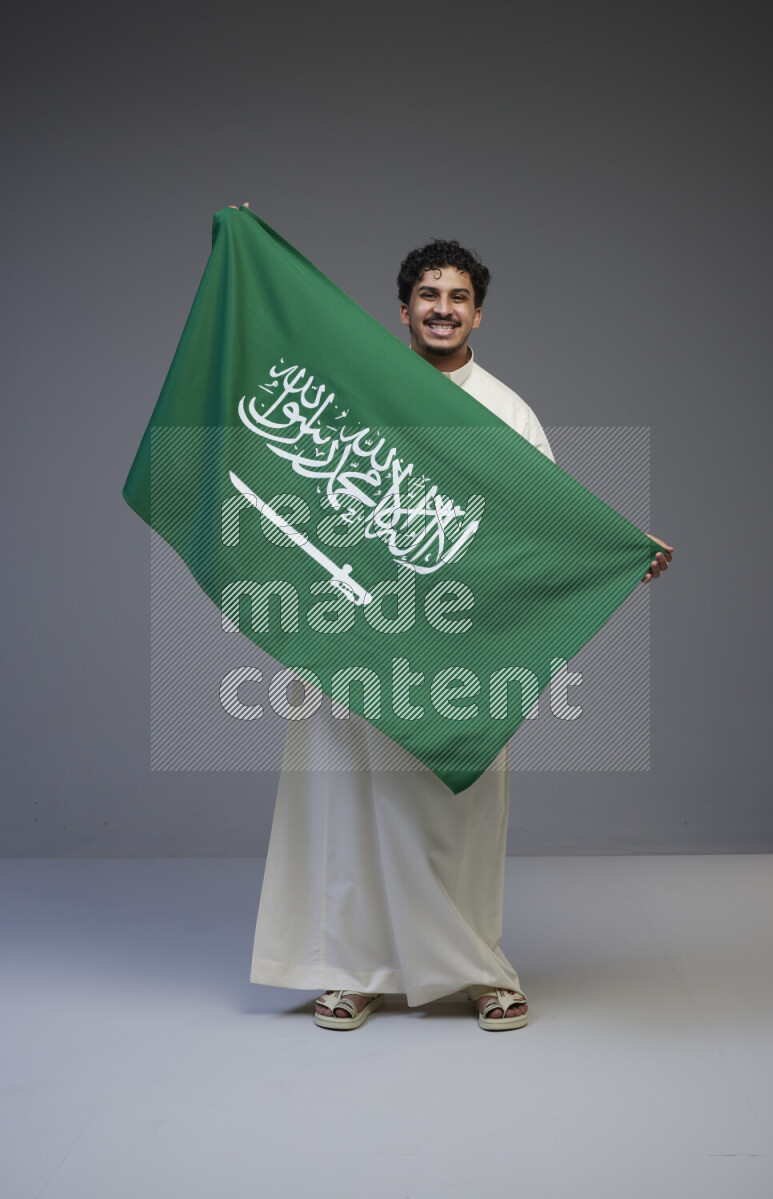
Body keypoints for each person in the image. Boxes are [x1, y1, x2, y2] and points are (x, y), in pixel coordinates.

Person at [249, 234, 674, 1031]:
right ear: (403, 309)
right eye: (428, 295)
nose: (442, 309)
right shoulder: (359, 386)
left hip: (458, 644)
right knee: (347, 800)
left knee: (462, 811)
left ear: (478, 314)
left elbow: (549, 523)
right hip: (355, 629)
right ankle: (354, 970)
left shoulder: (508, 412)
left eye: (457, 297)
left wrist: (621, 550)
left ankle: (475, 967)